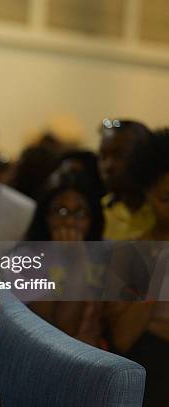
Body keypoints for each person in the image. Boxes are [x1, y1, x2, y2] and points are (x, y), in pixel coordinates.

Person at [105, 130, 169, 407]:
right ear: (148, 194)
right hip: (150, 365)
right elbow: (123, 337)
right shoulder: (129, 252)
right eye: (166, 198)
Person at [25, 170, 106, 347]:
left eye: (79, 213)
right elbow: (63, 330)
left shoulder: (106, 253)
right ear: (45, 215)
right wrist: (77, 262)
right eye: (60, 212)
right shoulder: (28, 259)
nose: (69, 222)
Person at [98, 119, 154, 240]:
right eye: (103, 155)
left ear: (144, 157)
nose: (108, 165)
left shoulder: (160, 212)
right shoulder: (99, 212)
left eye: (119, 155)